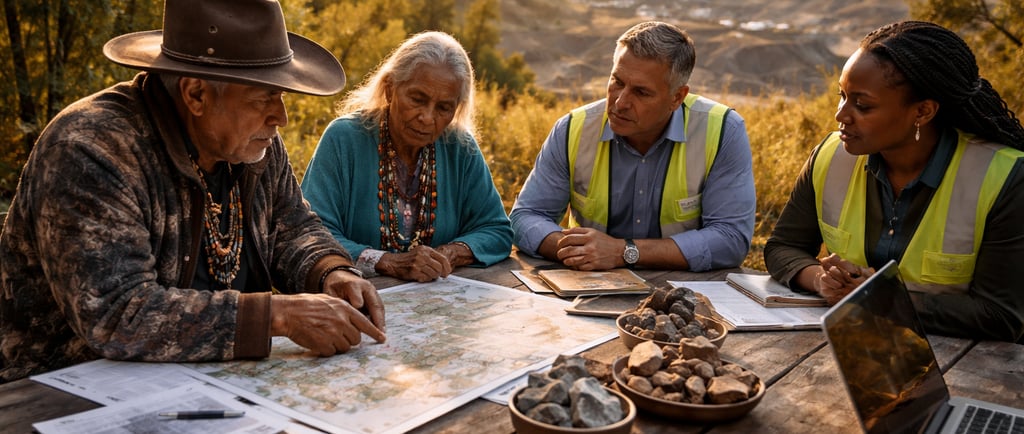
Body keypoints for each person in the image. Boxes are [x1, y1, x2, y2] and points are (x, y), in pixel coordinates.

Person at [0, 0, 387, 383]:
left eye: (281, 96)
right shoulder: (91, 148)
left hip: (212, 381)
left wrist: (331, 272)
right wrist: (277, 315)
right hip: (57, 392)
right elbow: (118, 313)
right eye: (263, 98)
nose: (280, 117)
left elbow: (293, 226)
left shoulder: (252, 143)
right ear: (196, 94)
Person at [764, 21, 1024, 342]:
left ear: (923, 111)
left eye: (862, 105)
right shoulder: (831, 155)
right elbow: (783, 246)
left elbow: (1001, 316)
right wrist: (821, 279)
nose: (841, 115)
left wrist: (881, 298)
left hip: (972, 367)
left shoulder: (1004, 177)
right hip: (856, 350)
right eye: (841, 96)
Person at [509, 21, 755, 272]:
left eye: (641, 92)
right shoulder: (572, 129)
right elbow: (524, 218)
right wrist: (579, 250)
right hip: (588, 283)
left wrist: (622, 252)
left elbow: (730, 239)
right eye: (617, 82)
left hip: (685, 289)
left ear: (677, 97)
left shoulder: (723, 130)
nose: (621, 101)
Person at [301, 31, 513, 283]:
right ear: (390, 89)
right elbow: (314, 233)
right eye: (417, 99)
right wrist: (387, 262)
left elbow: (497, 230)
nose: (427, 117)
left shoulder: (459, 147)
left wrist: (450, 253)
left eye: (444, 108)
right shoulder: (344, 139)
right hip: (353, 299)